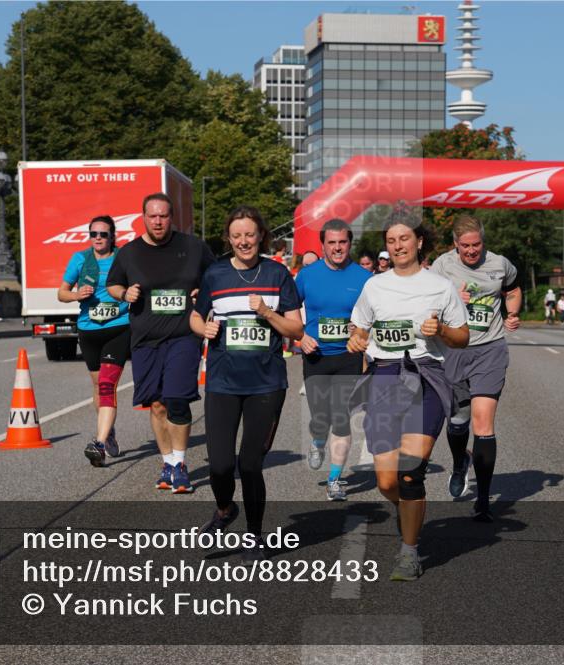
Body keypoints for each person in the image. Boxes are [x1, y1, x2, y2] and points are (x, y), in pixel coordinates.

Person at [347, 212, 469, 581]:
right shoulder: (374, 286)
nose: (398, 246)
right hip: (385, 378)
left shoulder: (440, 287)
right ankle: (409, 512)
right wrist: (356, 339)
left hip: (426, 377)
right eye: (391, 240)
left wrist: (441, 329)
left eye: (404, 238)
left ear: (419, 241)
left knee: (411, 473)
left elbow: (462, 337)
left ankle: (409, 551)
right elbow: (359, 327)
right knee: (387, 482)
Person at [191, 206, 303, 561]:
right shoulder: (216, 273)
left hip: (266, 384)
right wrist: (204, 328)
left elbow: (296, 328)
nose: (243, 241)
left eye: (249, 235)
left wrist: (267, 313)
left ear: (261, 236)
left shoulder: (277, 273)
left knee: (251, 464)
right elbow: (195, 316)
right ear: (229, 238)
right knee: (220, 465)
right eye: (237, 235)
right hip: (223, 382)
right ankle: (225, 508)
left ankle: (254, 535)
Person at [107, 193, 215, 493]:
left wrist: (202, 291)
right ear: (143, 217)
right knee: (156, 404)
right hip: (145, 339)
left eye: (163, 216)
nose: (158, 222)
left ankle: (180, 464)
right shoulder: (129, 252)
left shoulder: (193, 247)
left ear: (171, 218)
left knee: (177, 398)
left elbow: (216, 276)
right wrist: (124, 294)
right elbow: (113, 284)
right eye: (152, 216)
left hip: (184, 335)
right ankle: (167, 463)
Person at [430, 215, 521, 522]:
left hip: (490, 350)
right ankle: (460, 463)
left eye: (477, 245)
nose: (471, 251)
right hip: (454, 350)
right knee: (458, 423)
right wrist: (450, 299)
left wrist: (512, 313)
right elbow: (426, 306)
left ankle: (483, 501)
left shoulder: (500, 264)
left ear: (483, 241)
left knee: (483, 424)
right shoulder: (442, 266)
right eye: (465, 246)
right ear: (455, 244)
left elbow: (513, 289)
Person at [295, 219, 372, 500]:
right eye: (332, 243)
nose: (337, 248)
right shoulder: (306, 275)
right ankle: (318, 440)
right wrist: (300, 337)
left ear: (350, 243)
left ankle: (334, 480)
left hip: (348, 356)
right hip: (316, 355)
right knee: (320, 416)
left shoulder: (364, 278)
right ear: (323, 246)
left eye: (342, 242)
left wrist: (361, 330)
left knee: (341, 417)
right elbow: (289, 310)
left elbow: (375, 316)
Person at [59, 215, 131, 466]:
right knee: (98, 386)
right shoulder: (80, 259)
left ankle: (99, 441)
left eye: (103, 234)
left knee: (107, 385)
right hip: (88, 329)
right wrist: (76, 295)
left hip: (118, 327)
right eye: (93, 234)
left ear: (112, 236)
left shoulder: (123, 257)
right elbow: (61, 293)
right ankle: (108, 431)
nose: (98, 238)